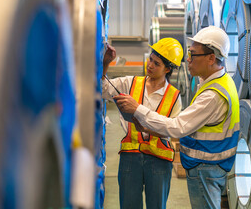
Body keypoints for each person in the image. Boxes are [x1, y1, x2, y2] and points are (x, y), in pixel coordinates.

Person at [114, 26, 240, 209]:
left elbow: (177, 127)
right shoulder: (220, 82)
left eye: (193, 55)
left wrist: (137, 109)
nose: (188, 60)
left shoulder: (212, 95)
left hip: (206, 166)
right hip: (211, 166)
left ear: (211, 58)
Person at [102, 38, 183, 209]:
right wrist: (106, 63)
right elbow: (102, 88)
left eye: (157, 63)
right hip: (130, 156)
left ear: (168, 69)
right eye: (150, 59)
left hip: (159, 161)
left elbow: (174, 130)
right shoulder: (130, 83)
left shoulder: (174, 96)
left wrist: (148, 128)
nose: (150, 65)